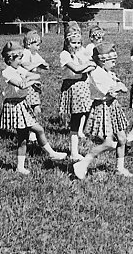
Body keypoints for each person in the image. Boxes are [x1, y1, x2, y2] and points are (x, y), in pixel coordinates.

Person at [0, 41, 66, 174]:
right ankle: (51, 153)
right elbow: (21, 85)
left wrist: (30, 79)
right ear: (9, 59)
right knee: (38, 130)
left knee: (23, 138)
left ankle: (20, 167)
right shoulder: (7, 72)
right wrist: (32, 81)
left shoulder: (18, 69)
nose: (21, 61)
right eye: (19, 58)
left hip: (22, 104)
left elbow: (36, 75)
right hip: (14, 106)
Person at [73, 42, 133, 179]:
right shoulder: (96, 73)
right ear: (102, 61)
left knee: (122, 139)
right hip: (103, 107)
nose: (114, 64)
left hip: (113, 106)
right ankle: (83, 163)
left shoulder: (106, 72)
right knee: (108, 143)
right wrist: (118, 86)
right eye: (112, 61)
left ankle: (120, 168)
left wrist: (119, 85)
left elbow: (120, 85)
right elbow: (112, 89)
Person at [59, 22, 95, 160]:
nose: (77, 45)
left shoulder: (82, 51)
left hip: (83, 86)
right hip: (72, 87)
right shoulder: (64, 54)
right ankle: (74, 151)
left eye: (79, 42)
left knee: (84, 114)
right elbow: (76, 69)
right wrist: (88, 65)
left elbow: (92, 63)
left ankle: (77, 147)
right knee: (75, 119)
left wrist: (88, 65)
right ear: (67, 41)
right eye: (74, 43)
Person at [20, 29, 49, 143]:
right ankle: (28, 131)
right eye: (36, 45)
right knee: (29, 108)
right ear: (29, 44)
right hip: (26, 84)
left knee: (36, 108)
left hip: (34, 85)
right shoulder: (25, 53)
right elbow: (26, 66)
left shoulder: (35, 54)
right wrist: (38, 64)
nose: (38, 48)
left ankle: (32, 131)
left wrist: (42, 64)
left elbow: (46, 65)